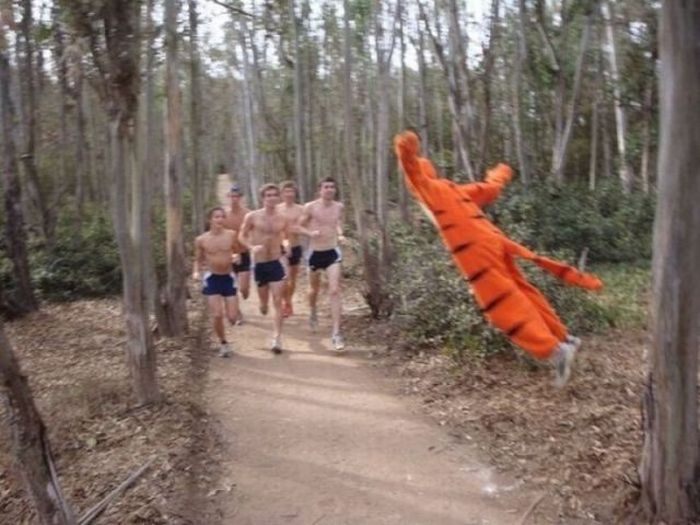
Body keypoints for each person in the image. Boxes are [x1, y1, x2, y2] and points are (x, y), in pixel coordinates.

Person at [394, 129, 603, 386]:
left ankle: (555, 350)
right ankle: (563, 337)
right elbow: (489, 189)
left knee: (502, 306)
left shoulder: (428, 189)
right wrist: (500, 174)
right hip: (493, 239)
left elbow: (412, 169)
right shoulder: (452, 188)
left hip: (476, 251)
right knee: (521, 289)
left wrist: (406, 148)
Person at [239, 184, 316, 353]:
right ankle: (262, 304)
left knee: (277, 300)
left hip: (275, 262)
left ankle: (277, 338)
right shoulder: (252, 216)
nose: (272, 198)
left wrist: (286, 245)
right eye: (268, 195)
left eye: (274, 195)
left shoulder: (282, 218)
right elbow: (241, 235)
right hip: (260, 263)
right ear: (263, 198)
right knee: (264, 304)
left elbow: (286, 236)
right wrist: (251, 247)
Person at [299, 177, 346, 352]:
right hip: (315, 253)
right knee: (313, 290)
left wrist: (340, 234)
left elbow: (338, 223)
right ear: (320, 190)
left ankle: (336, 333)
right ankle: (313, 310)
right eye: (326, 187)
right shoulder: (310, 207)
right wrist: (310, 233)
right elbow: (299, 226)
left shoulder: (339, 206)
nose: (329, 189)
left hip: (332, 251)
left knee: (334, 290)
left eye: (332, 187)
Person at [192, 207, 239, 358]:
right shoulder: (201, 240)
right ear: (210, 219)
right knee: (217, 314)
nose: (220, 219)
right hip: (212, 278)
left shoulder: (231, 235)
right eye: (216, 217)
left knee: (232, 318)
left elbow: (237, 251)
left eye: (222, 217)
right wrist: (196, 272)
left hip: (228, 277)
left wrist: (237, 257)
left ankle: (232, 316)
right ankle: (223, 343)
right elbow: (198, 259)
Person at [276, 181, 305, 317]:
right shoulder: (276, 209)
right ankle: (284, 302)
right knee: (284, 278)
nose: (289, 194)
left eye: (291, 191)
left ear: (295, 193)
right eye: (286, 191)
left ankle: (288, 301)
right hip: (280, 248)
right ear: (282, 194)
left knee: (292, 279)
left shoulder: (301, 209)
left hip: (295, 246)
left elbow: (303, 226)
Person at [224, 185, 251, 308]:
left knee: (244, 289)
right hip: (228, 254)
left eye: (236, 196)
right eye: (231, 196)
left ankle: (245, 291)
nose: (234, 199)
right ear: (228, 197)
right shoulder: (223, 215)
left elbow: (253, 232)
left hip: (244, 252)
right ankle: (236, 310)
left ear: (240, 198)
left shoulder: (247, 214)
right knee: (231, 286)